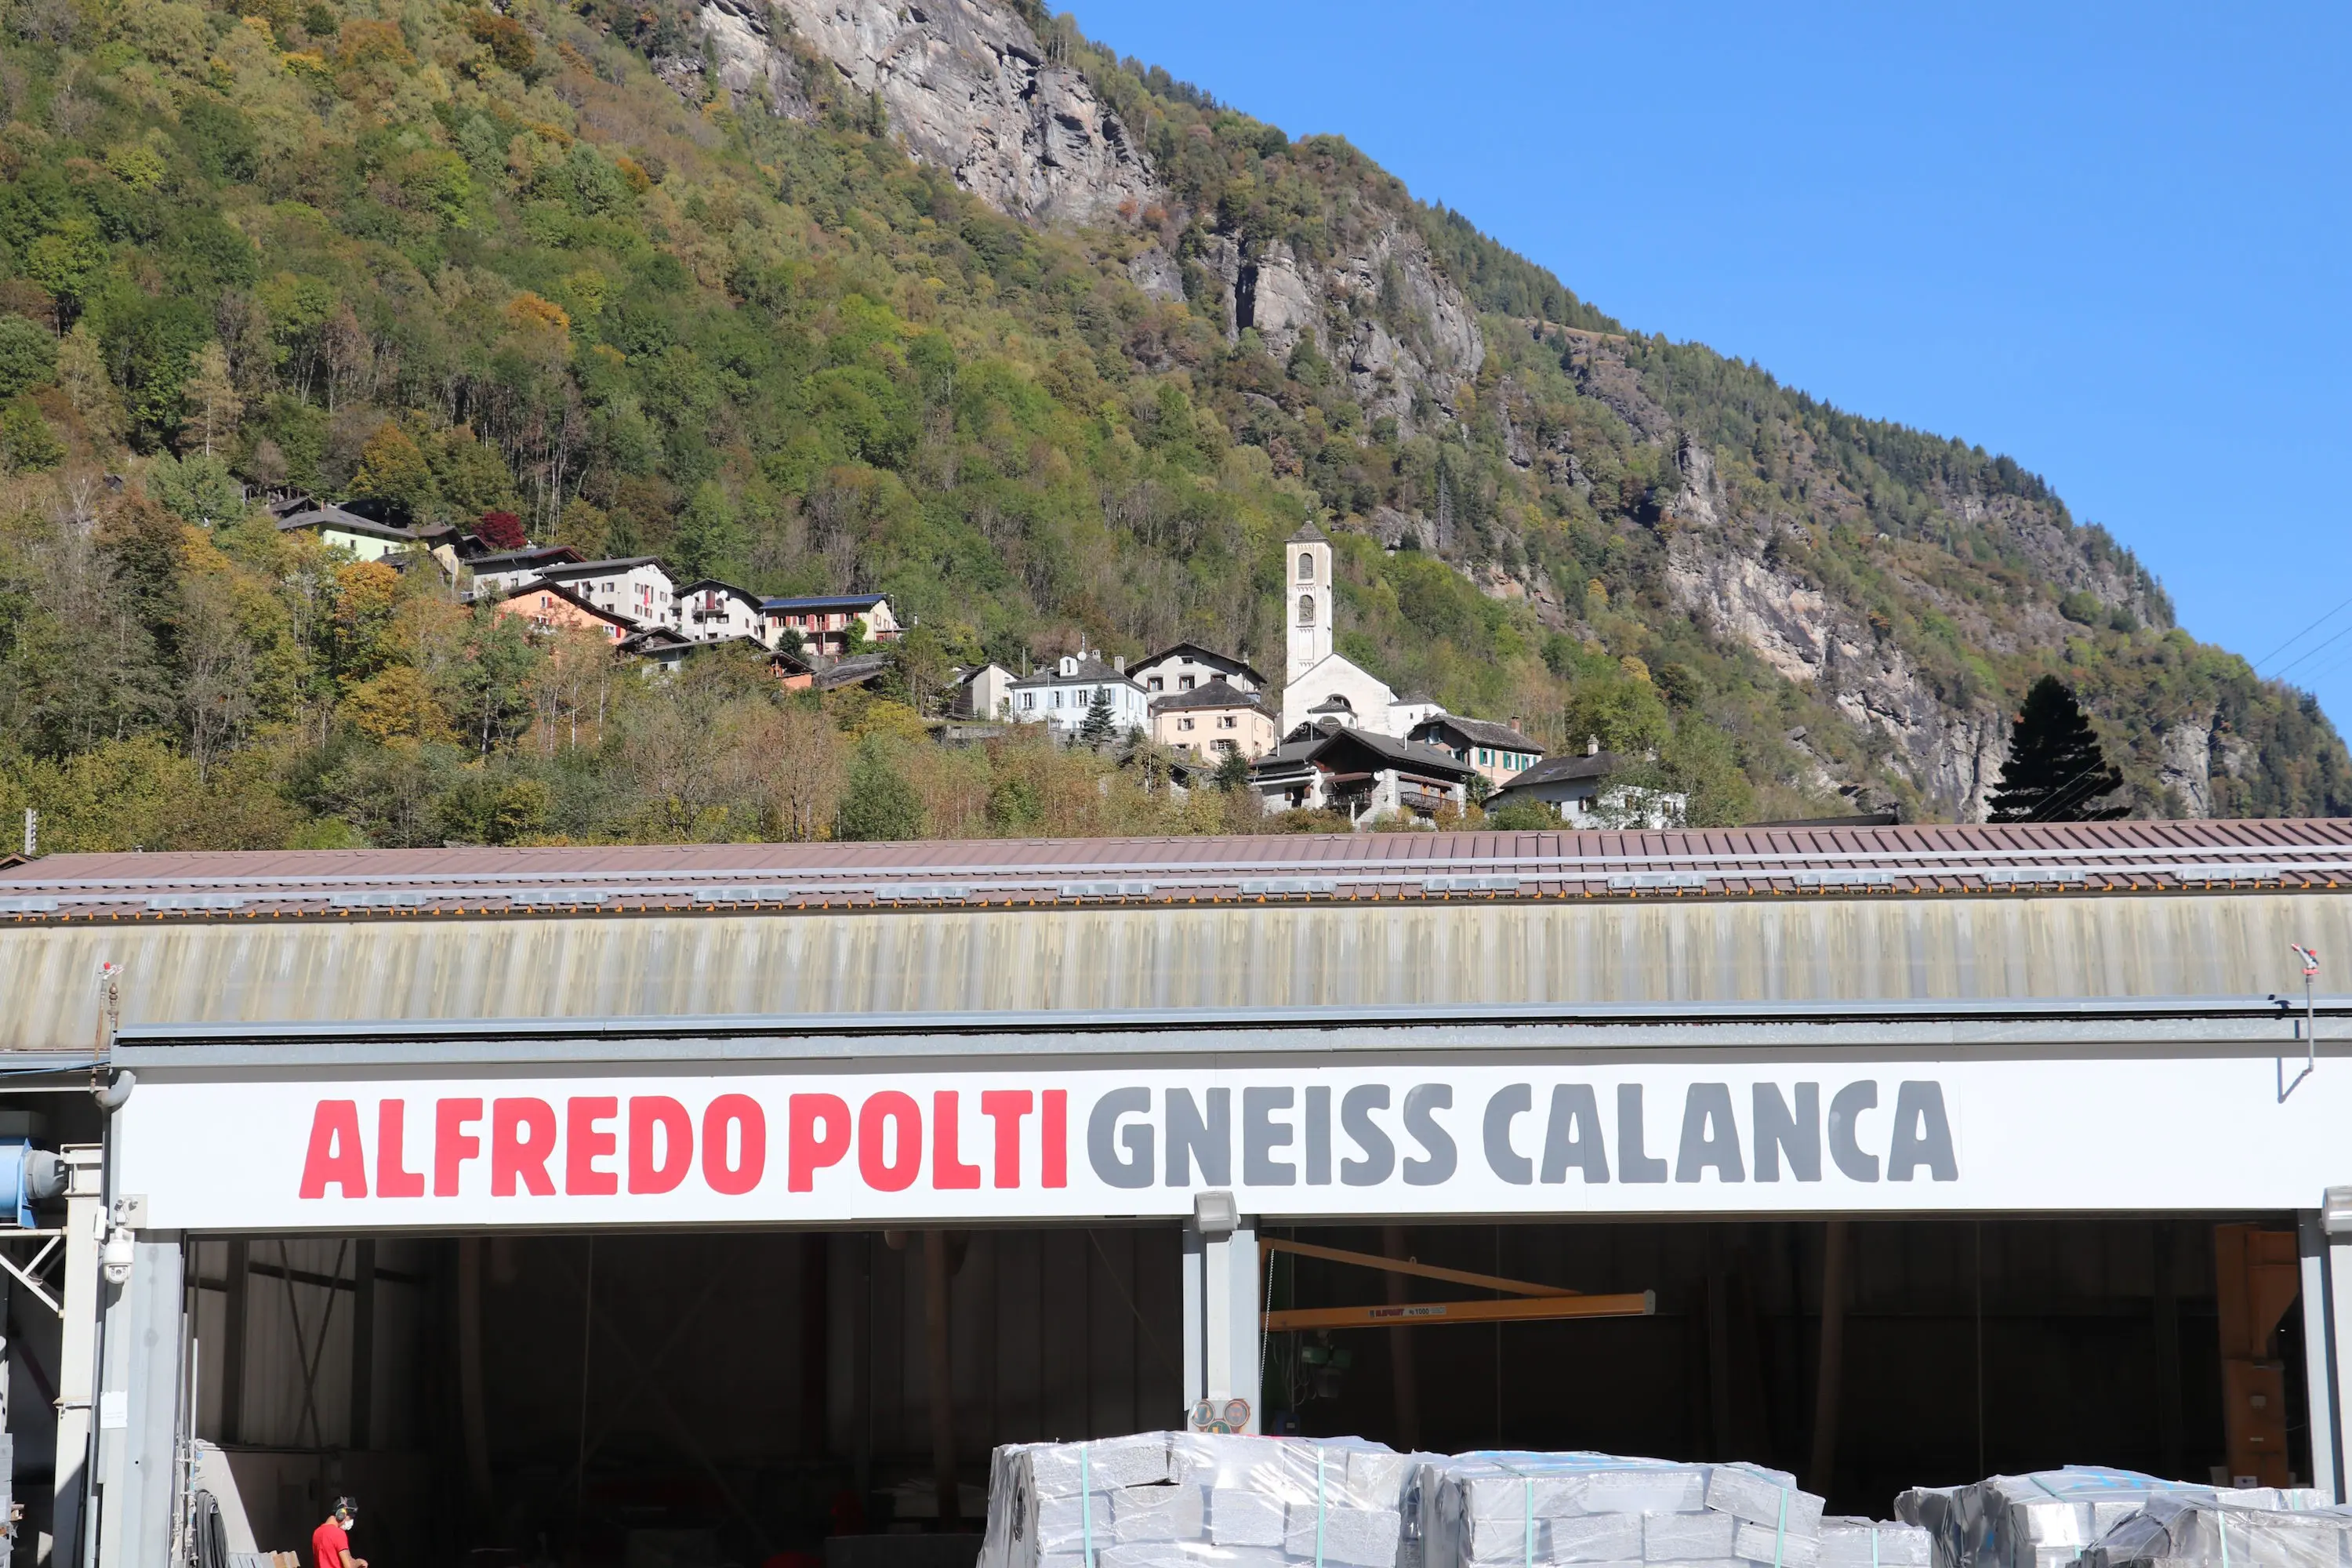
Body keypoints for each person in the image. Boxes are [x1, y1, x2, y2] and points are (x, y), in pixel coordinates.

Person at [312, 1497, 365, 1568]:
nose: (351, 1521)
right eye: (351, 1517)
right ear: (342, 1514)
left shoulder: (317, 1532)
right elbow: (349, 1566)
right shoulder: (338, 1533)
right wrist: (360, 1562)